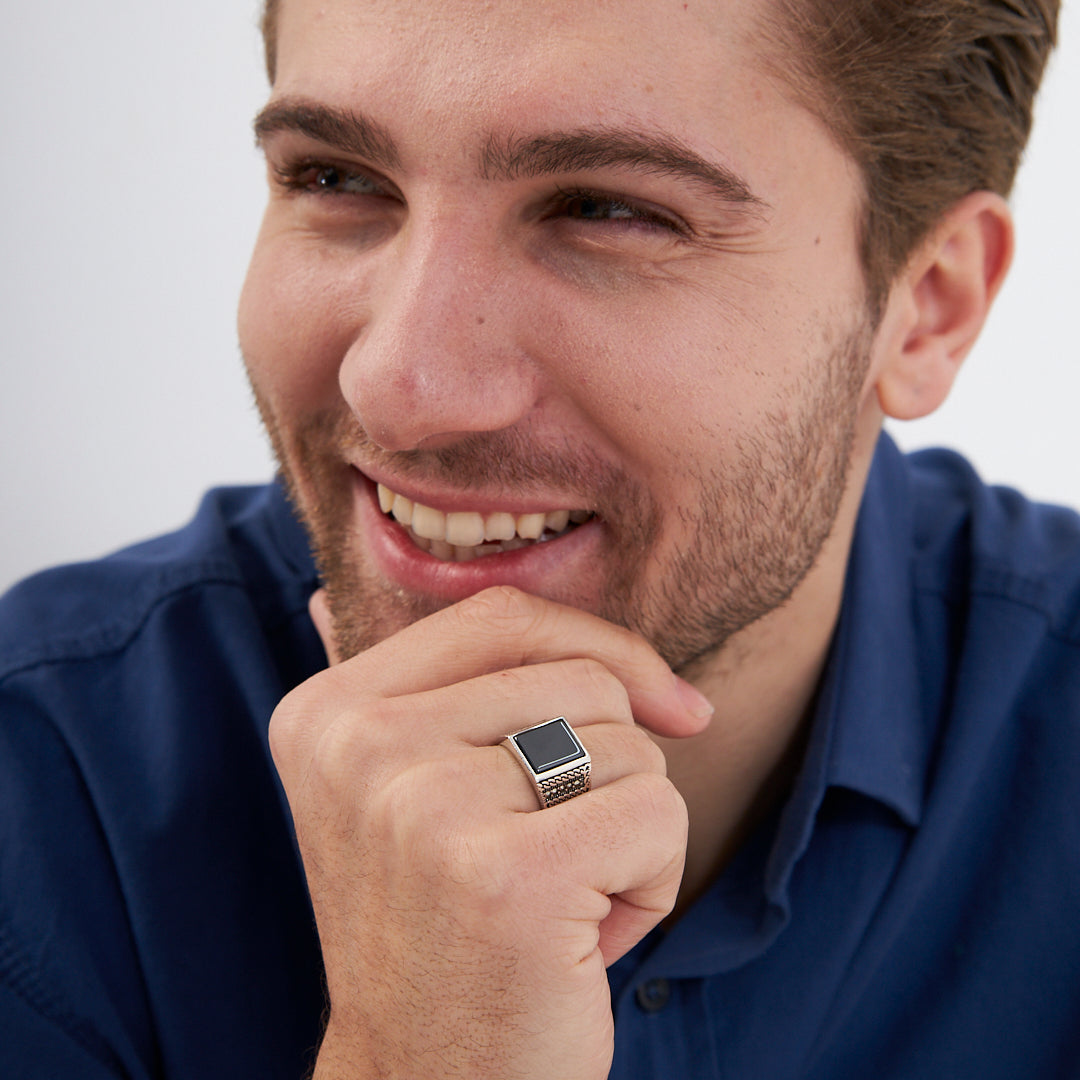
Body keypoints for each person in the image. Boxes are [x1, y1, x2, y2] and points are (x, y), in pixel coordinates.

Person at [1, 0, 1076, 1076]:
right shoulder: (38, 784)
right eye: (336, 177)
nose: (399, 388)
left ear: (929, 306)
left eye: (605, 209)